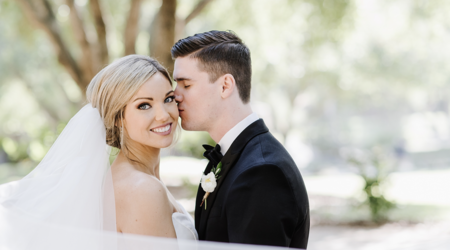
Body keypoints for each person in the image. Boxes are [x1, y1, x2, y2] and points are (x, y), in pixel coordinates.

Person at [0, 55, 197, 249]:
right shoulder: (142, 189)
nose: (164, 115)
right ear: (118, 118)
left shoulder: (129, 178)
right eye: (144, 105)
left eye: (168, 99)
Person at [172, 30, 310, 248]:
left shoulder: (263, 172)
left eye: (186, 85)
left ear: (225, 86)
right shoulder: (230, 156)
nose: (175, 95)